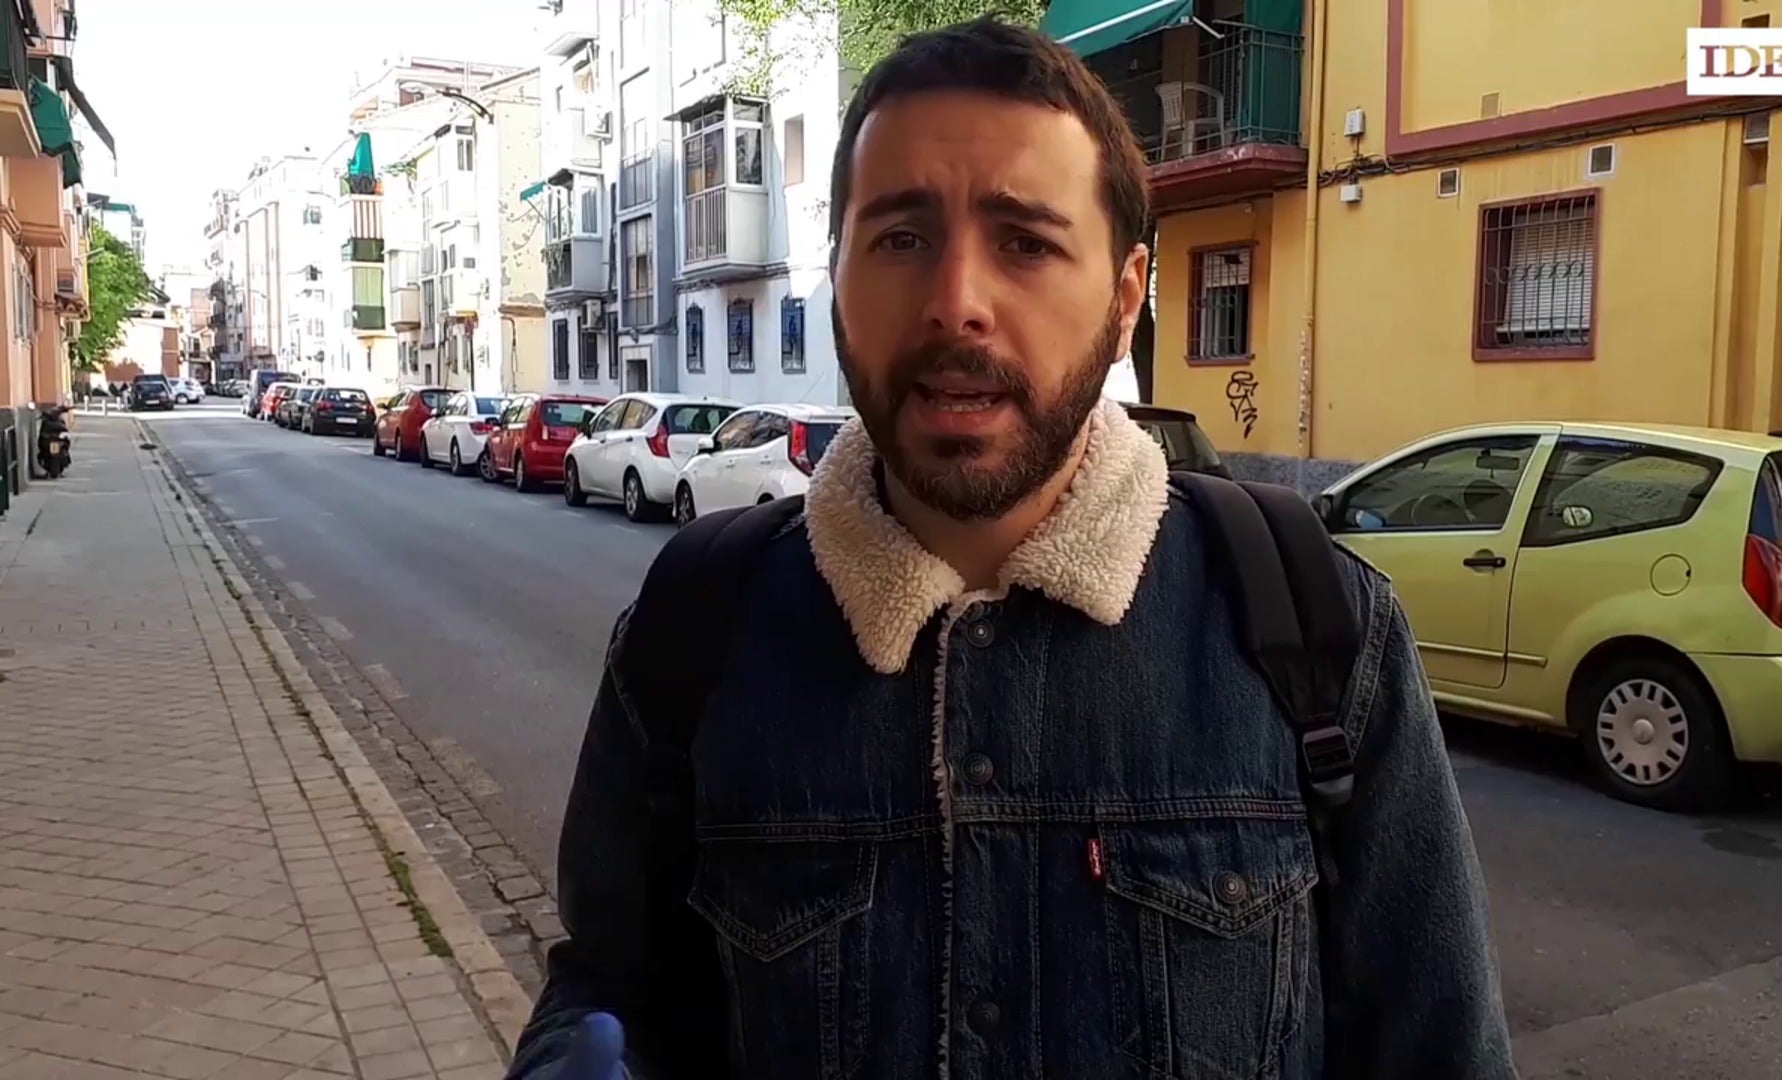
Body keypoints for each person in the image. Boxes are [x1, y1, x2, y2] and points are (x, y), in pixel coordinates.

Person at [506, 16, 1516, 1080]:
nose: (957, 305)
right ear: (837, 279)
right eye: (901, 239)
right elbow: (612, 980)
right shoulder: (696, 627)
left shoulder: (1316, 627)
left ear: (1125, 299)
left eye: (1027, 243)